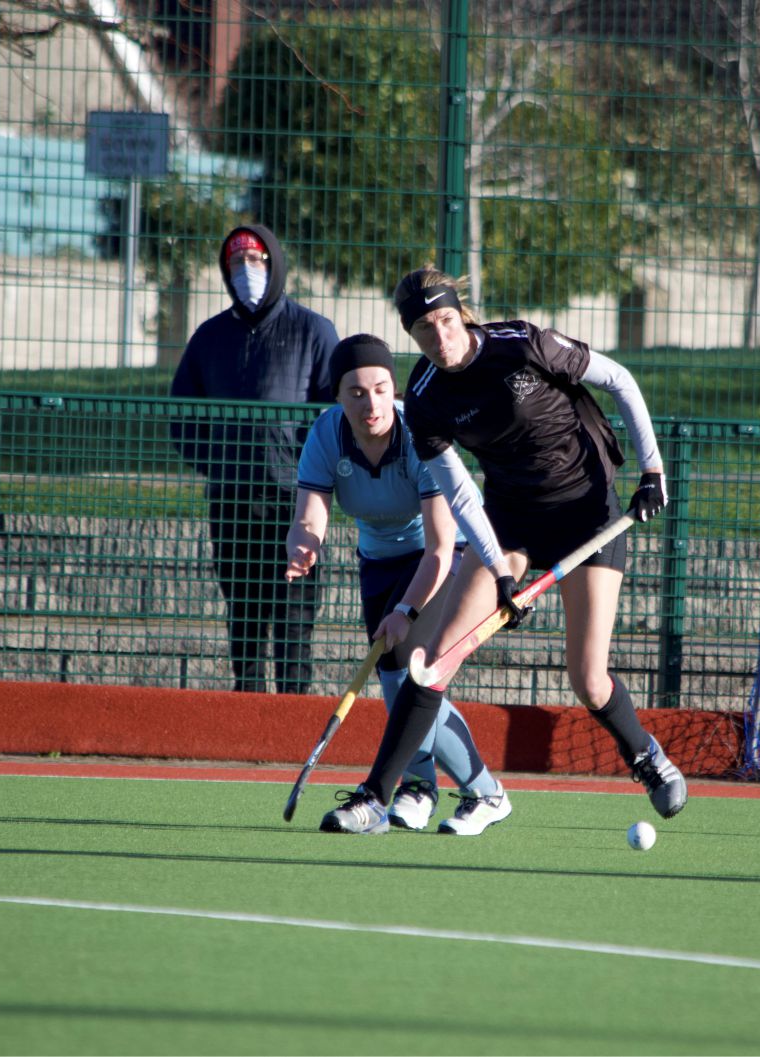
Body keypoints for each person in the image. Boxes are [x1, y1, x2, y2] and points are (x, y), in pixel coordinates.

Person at [320, 266, 688, 834]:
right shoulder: (423, 399)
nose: (439, 339)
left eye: (445, 321)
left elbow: (619, 380)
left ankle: (644, 755)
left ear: (461, 314)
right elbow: (463, 493)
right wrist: (498, 572)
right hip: (510, 520)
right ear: (410, 335)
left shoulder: (525, 346)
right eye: (422, 330)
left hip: (586, 515)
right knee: (432, 663)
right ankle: (374, 797)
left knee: (588, 680)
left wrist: (652, 467)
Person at [286, 334, 510, 836]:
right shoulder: (326, 435)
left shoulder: (419, 432)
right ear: (338, 397)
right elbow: (309, 515)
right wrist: (303, 545)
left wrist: (405, 612)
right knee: (393, 684)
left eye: (382, 389)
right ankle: (420, 787)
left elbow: (437, 548)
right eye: (356, 393)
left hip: (445, 559)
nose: (371, 403)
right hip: (378, 563)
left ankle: (485, 791)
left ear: (394, 388)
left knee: (416, 674)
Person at [171, 224, 338, 695]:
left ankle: (291, 716)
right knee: (242, 613)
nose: (247, 270)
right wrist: (219, 464)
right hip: (232, 500)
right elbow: (182, 417)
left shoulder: (313, 331)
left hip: (297, 502)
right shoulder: (209, 337)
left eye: (257, 260)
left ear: (276, 264)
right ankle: (246, 713)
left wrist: (313, 477)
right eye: (236, 262)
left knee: (294, 614)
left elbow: (332, 417)